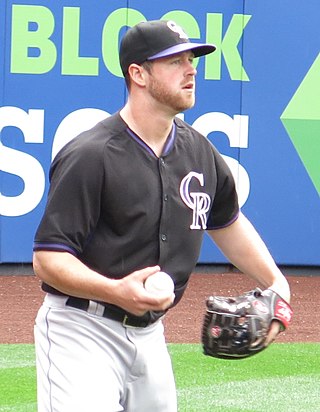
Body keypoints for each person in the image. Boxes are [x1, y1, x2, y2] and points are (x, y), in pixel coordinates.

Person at [33, 20, 291, 412]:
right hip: (80, 330)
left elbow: (227, 221)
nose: (191, 69)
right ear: (138, 73)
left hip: (151, 335)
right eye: (175, 61)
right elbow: (48, 260)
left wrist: (276, 284)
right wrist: (115, 291)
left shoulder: (199, 152)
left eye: (191, 59)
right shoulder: (91, 155)